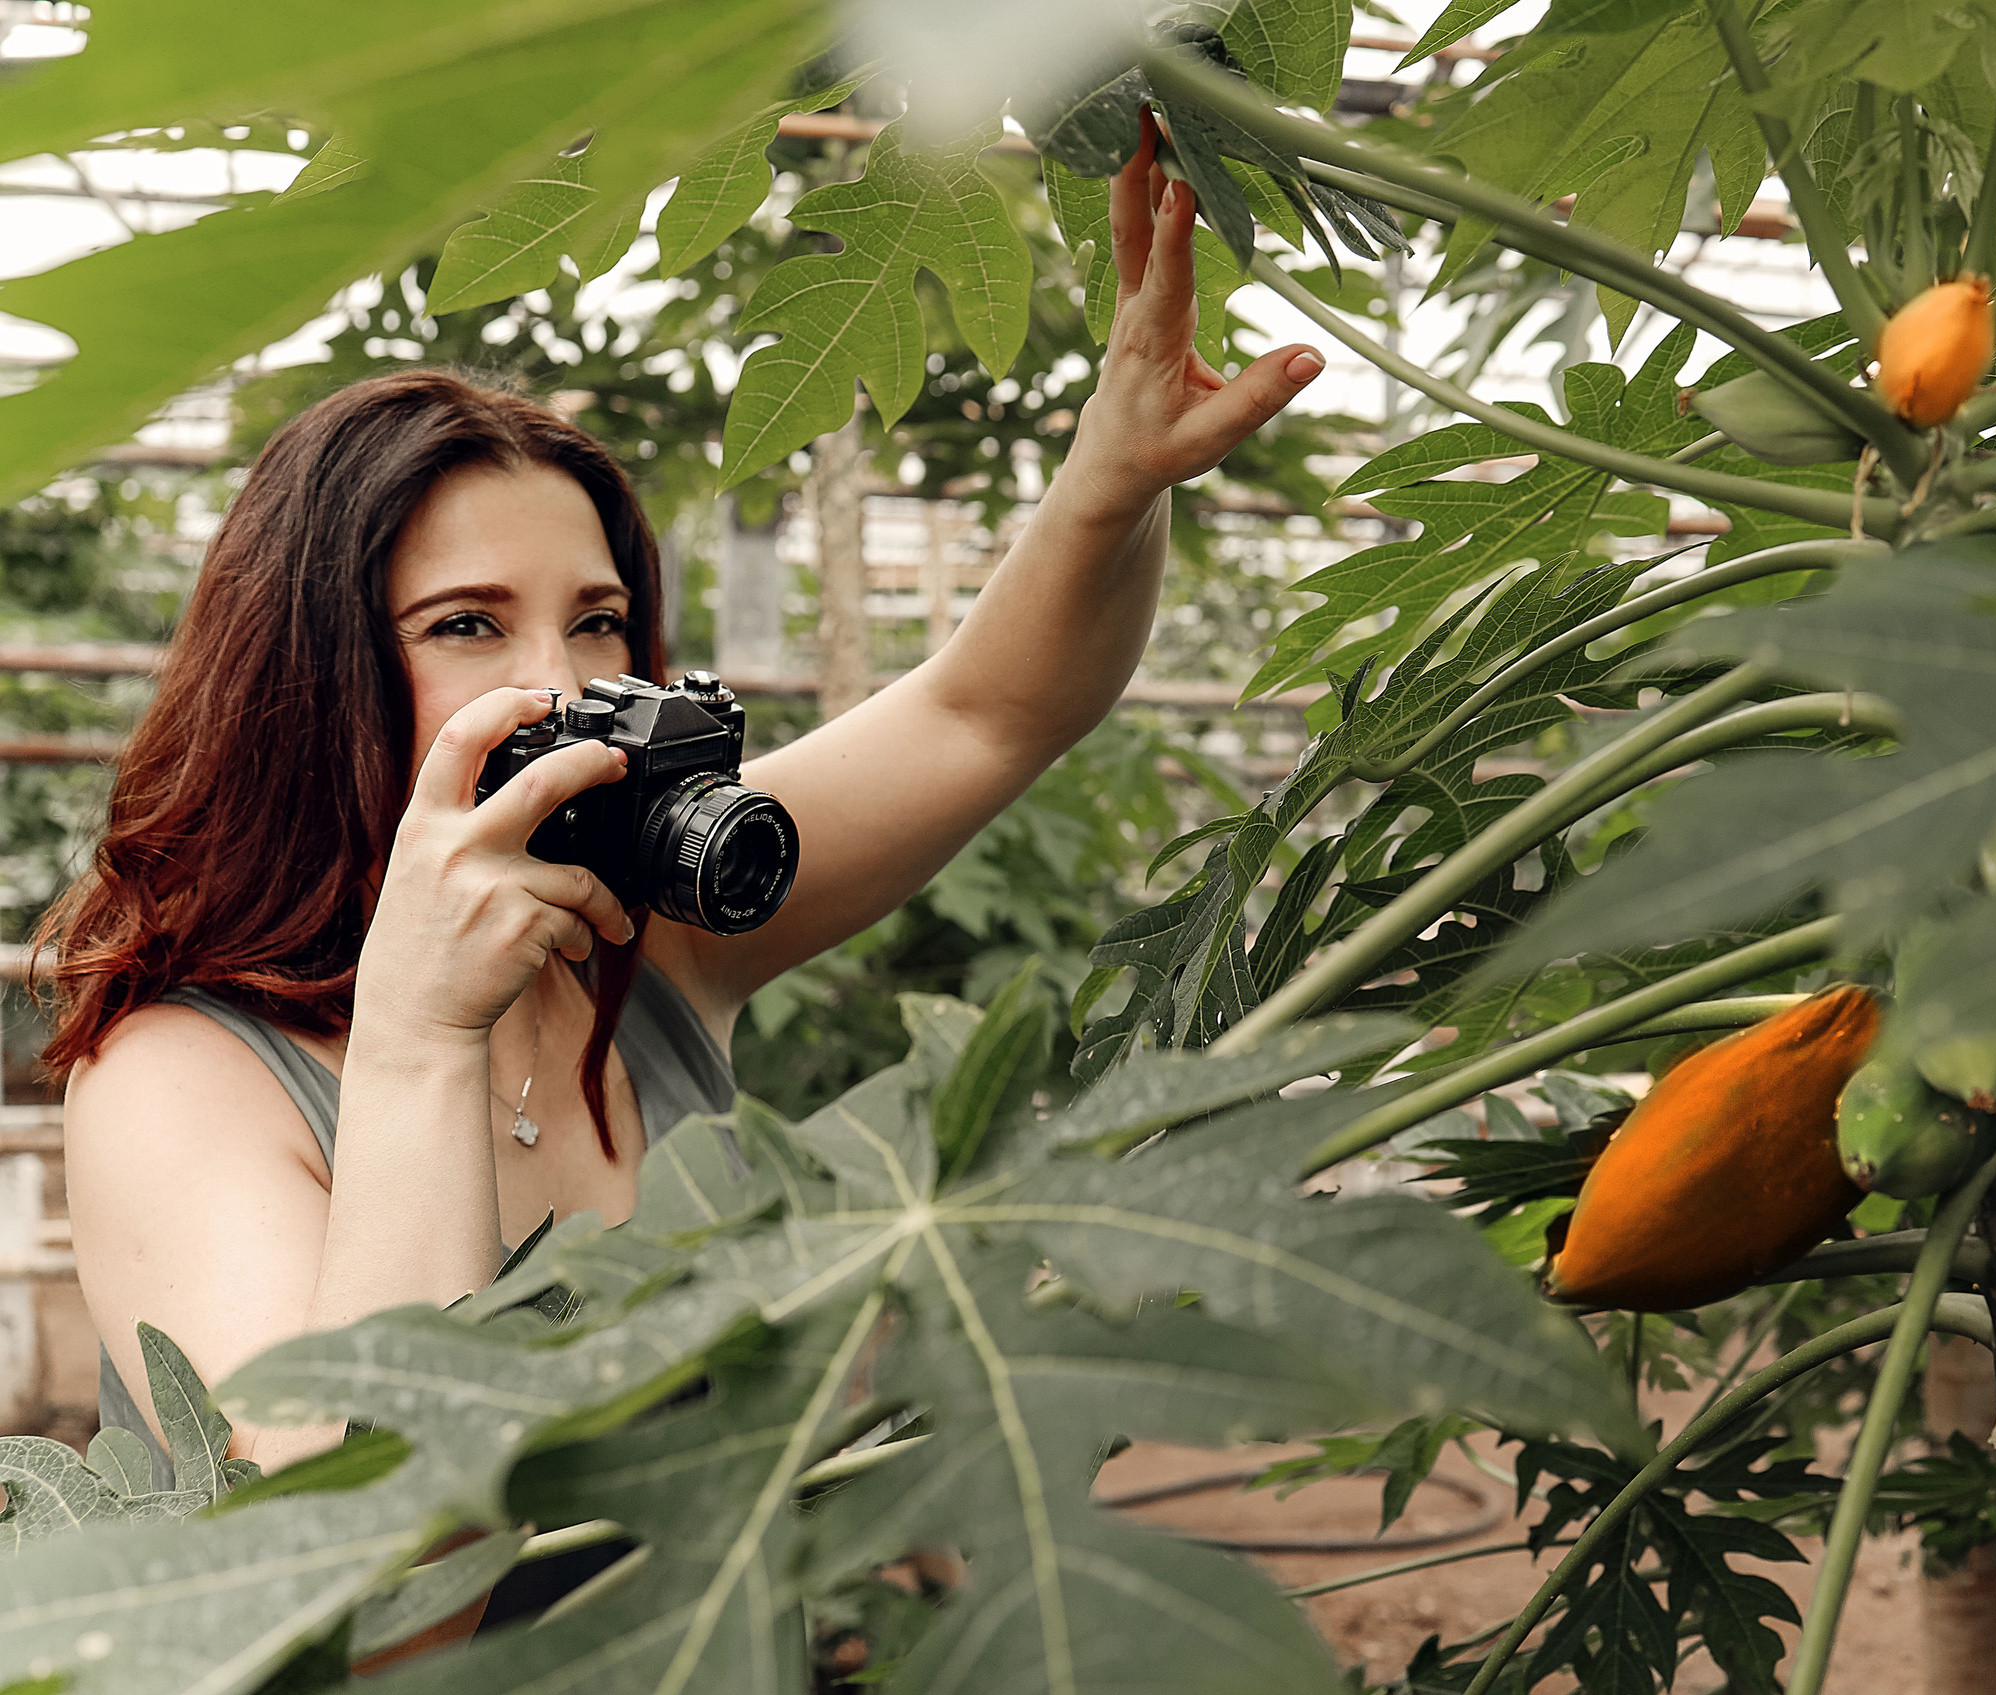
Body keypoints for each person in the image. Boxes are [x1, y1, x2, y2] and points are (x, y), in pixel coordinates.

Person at [45, 123, 1324, 1481]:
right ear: (305, 675)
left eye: (598, 622)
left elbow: (986, 711)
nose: (559, 684)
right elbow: (363, 1552)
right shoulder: (176, 1077)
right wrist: (421, 1033)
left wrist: (1113, 474)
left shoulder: (641, 940)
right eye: (467, 625)